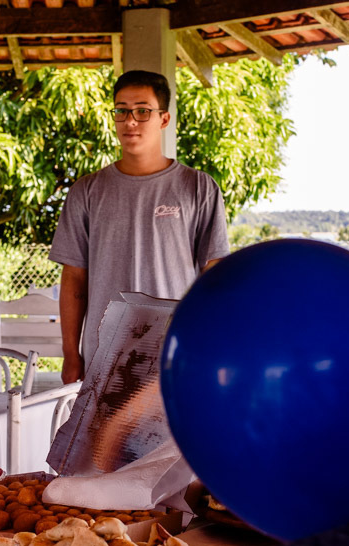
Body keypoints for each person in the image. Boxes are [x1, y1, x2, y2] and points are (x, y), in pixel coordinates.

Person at [49, 70, 230, 383]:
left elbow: (214, 276)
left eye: (142, 111)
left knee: (174, 434)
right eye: (121, 110)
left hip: (176, 355)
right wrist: (70, 355)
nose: (130, 121)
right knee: (103, 435)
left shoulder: (198, 187)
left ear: (163, 118)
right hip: (103, 358)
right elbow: (74, 280)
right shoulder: (86, 191)